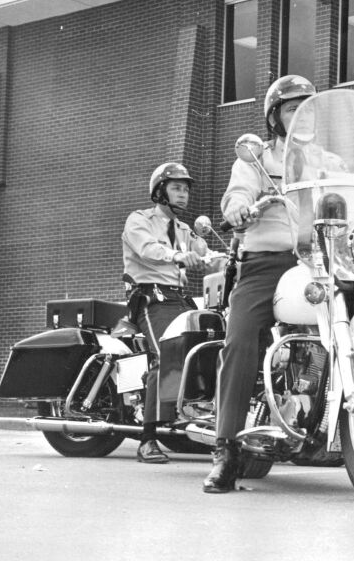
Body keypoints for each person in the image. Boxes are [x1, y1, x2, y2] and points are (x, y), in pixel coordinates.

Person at [203, 74, 316, 493]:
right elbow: (237, 193)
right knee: (241, 338)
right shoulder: (257, 158)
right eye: (291, 108)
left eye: (307, 108)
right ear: (275, 117)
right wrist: (239, 210)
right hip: (266, 262)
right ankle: (226, 449)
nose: (300, 115)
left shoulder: (328, 161)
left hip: (320, 261)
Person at [122, 162, 211, 464]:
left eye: (186, 189)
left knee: (206, 349)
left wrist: (227, 258)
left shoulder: (186, 230)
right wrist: (177, 255)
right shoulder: (139, 220)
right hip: (150, 298)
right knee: (166, 356)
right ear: (160, 191)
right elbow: (147, 249)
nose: (183, 194)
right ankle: (147, 439)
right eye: (176, 188)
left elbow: (206, 255)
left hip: (180, 300)